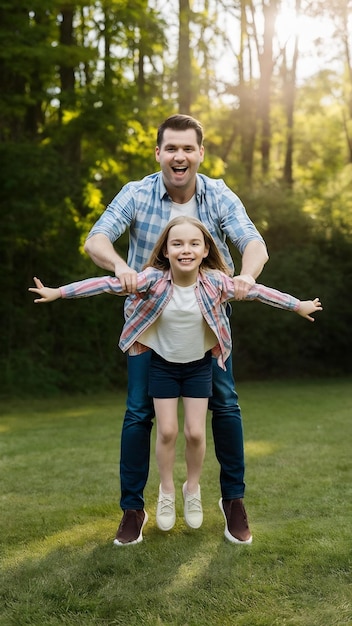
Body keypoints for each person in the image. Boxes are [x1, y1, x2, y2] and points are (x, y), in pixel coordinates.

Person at [29, 217, 322, 538]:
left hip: (199, 367)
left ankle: (191, 488)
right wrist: (60, 292)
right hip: (163, 367)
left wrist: (298, 306)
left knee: (195, 434)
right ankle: (166, 491)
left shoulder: (216, 283)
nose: (186, 250)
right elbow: (105, 284)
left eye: (194, 243)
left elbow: (258, 291)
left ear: (206, 249)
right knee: (167, 432)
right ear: (165, 251)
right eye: (177, 244)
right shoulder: (152, 280)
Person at [83, 113, 270, 547]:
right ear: (159, 153)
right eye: (172, 148)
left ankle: (233, 501)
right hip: (148, 329)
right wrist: (120, 265)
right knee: (137, 414)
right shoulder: (137, 194)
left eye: (188, 148)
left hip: (204, 324)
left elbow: (252, 241)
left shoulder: (218, 194)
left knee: (225, 407)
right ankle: (133, 509)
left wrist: (248, 275)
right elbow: (97, 239)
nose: (180, 156)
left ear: (200, 153)